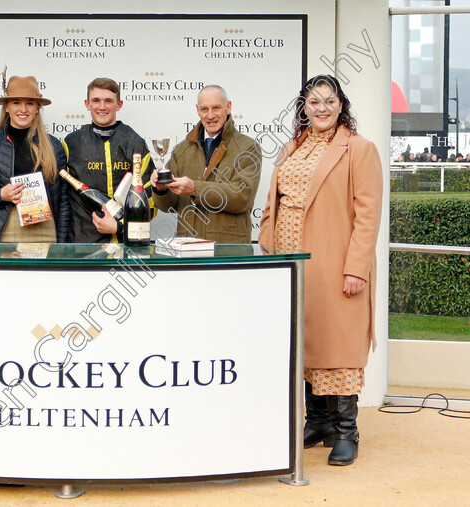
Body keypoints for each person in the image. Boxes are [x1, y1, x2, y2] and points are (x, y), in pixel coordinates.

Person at [259, 75, 382, 467]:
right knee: (304, 342)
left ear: (341, 106)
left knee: (338, 346)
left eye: (329, 101)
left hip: (334, 263)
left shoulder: (359, 150)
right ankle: (319, 422)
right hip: (292, 263)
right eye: (314, 102)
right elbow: (273, 201)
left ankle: (347, 432)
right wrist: (267, 242)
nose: (322, 108)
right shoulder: (291, 147)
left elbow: (368, 216)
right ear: (304, 108)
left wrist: (356, 268)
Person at [0, 75, 69, 243]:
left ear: (37, 108)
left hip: (45, 231)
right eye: (16, 103)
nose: (23, 109)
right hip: (3, 230)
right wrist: (0, 195)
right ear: (6, 106)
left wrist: (62, 246)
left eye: (29, 103)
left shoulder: (53, 146)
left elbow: (63, 202)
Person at [151, 85, 261, 243]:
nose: (210, 115)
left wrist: (195, 189)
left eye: (216, 108)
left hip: (229, 249)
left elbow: (242, 197)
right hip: (187, 248)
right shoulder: (182, 150)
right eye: (204, 109)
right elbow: (169, 206)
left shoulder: (248, 147)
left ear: (228, 107)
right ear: (197, 110)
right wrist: (161, 190)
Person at [62, 78, 154, 243]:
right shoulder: (72, 143)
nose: (102, 107)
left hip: (126, 244)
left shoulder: (135, 143)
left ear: (119, 105)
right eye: (96, 100)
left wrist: (120, 226)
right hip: (83, 245)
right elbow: (61, 198)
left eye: (108, 101)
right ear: (87, 104)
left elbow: (149, 200)